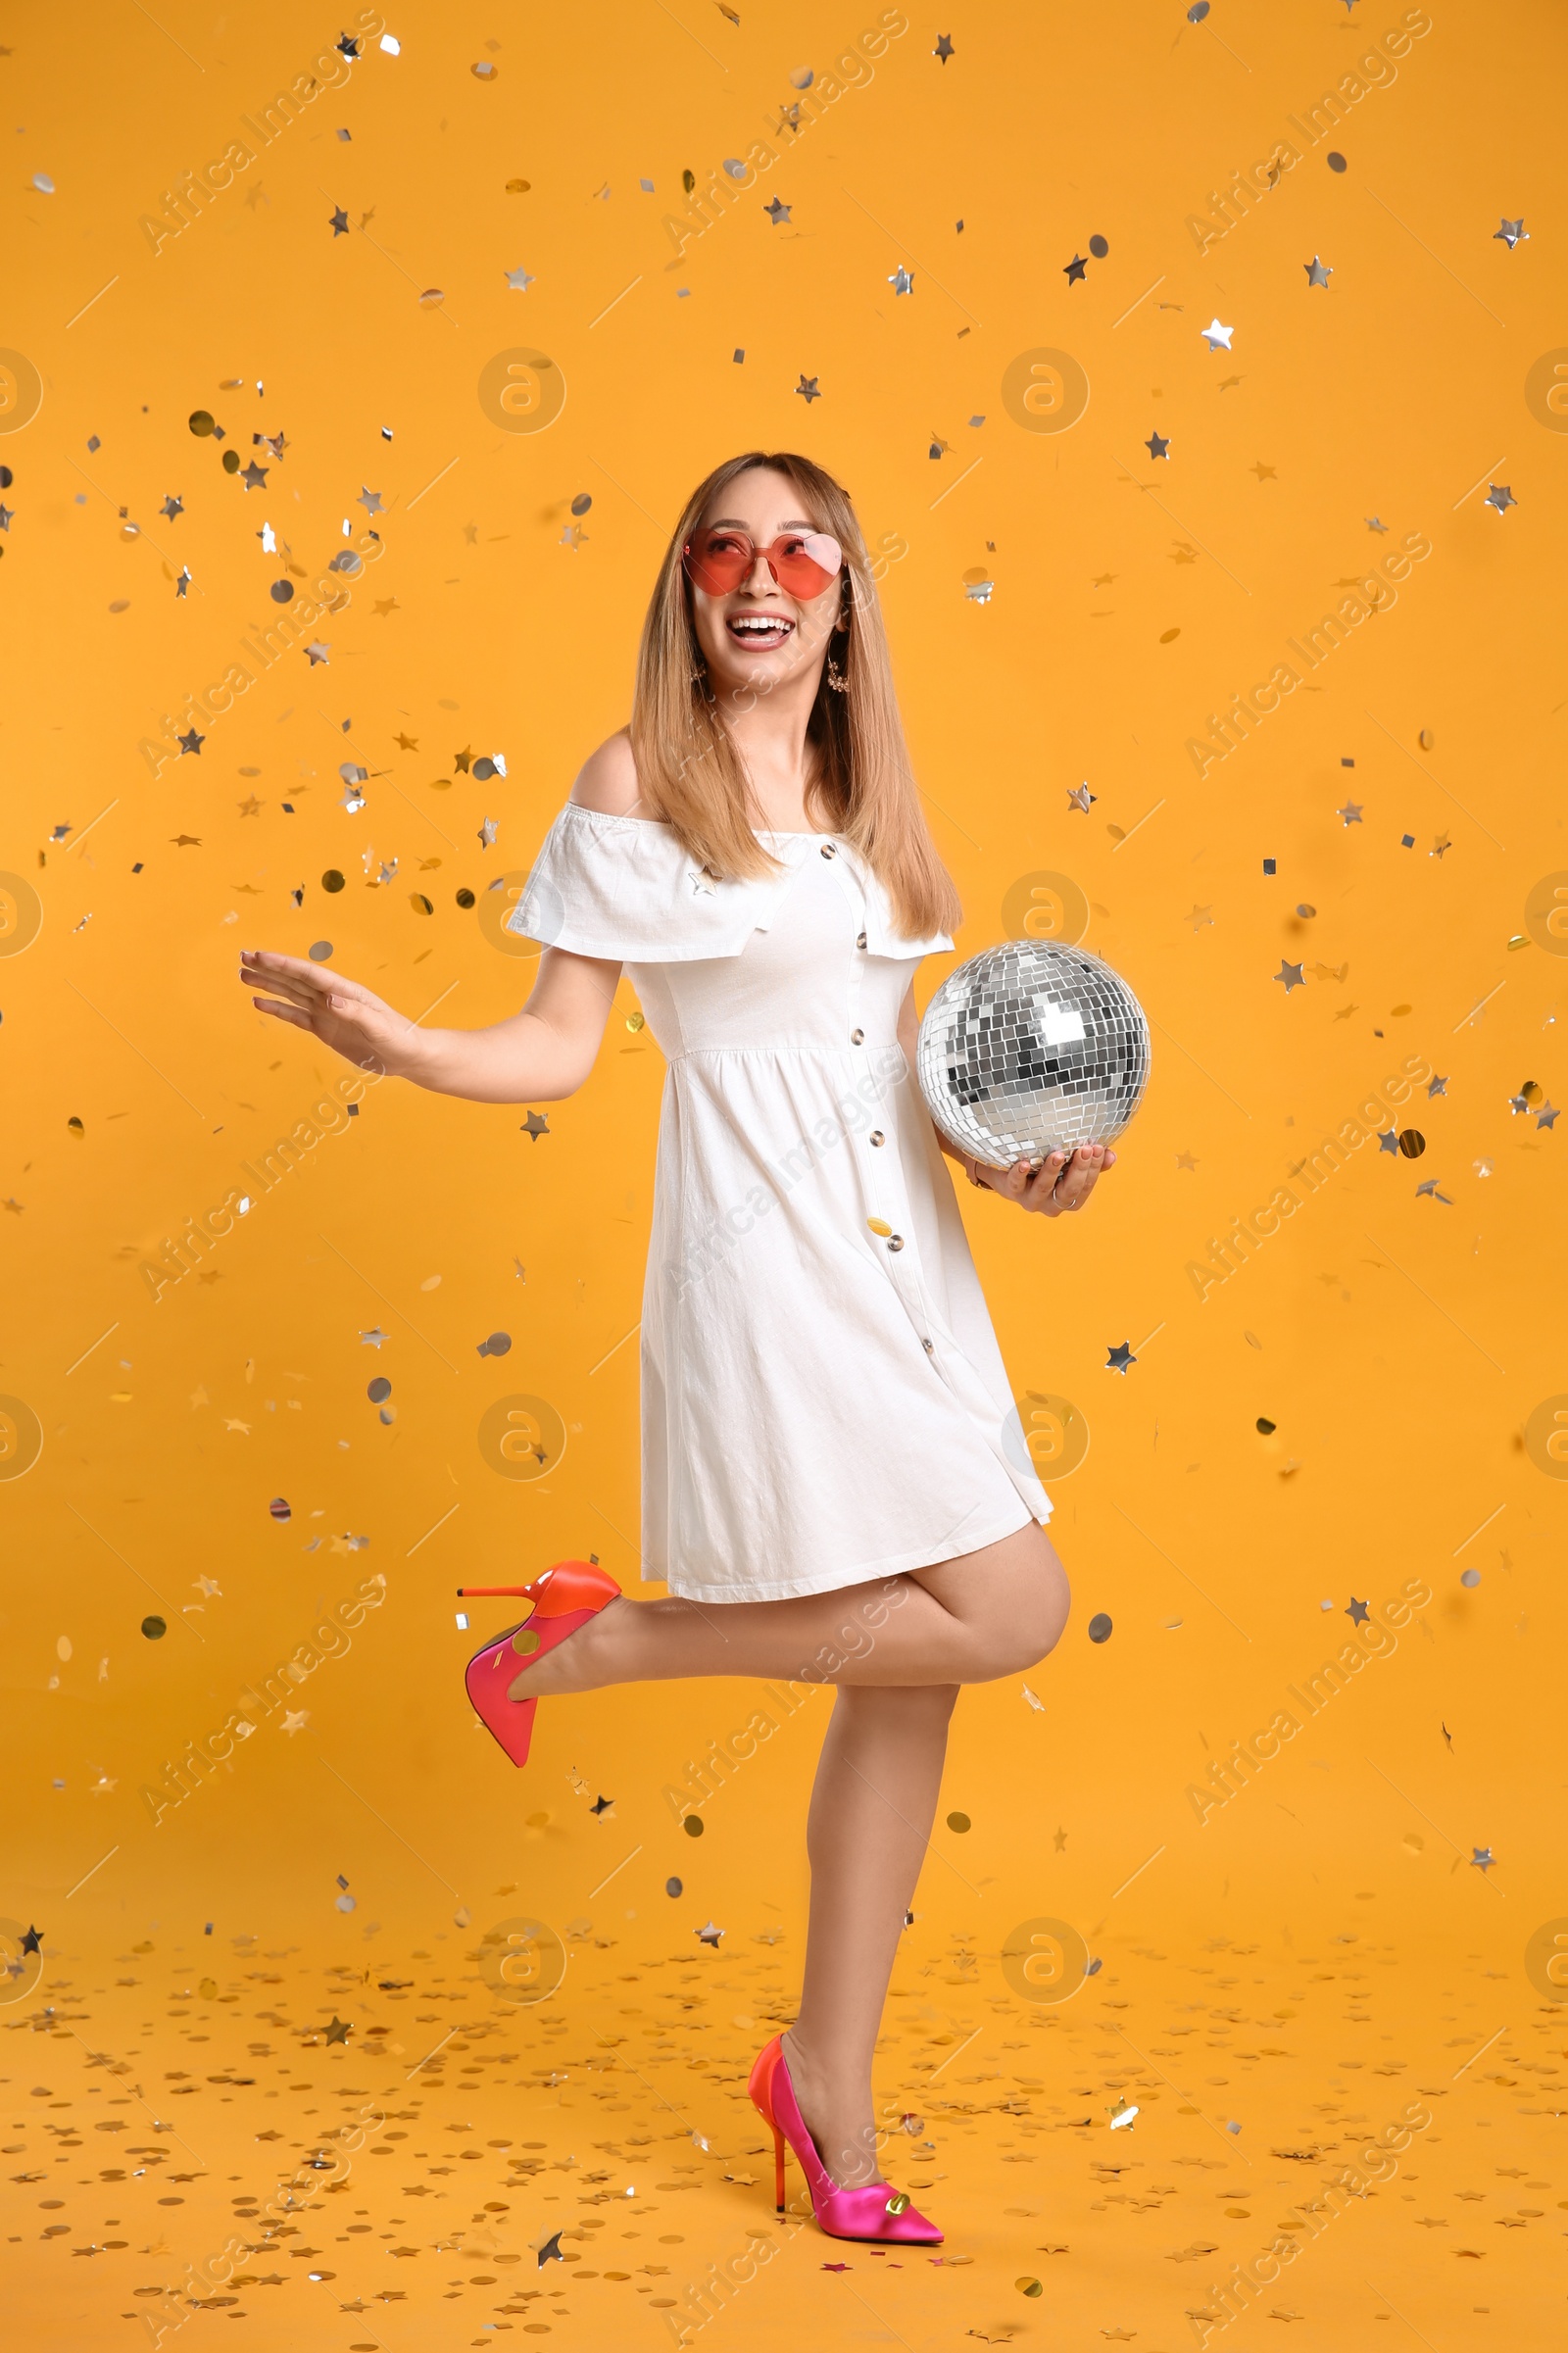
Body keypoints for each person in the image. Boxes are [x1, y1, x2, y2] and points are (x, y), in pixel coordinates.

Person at [239, 449, 1115, 2244]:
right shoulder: (639, 782)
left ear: (848, 593)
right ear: (691, 592)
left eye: (803, 545)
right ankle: (614, 1639)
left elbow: (896, 1068)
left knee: (920, 1669)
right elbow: (561, 1046)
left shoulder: (875, 796)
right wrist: (403, 1044)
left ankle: (826, 2083)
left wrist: (1017, 1171)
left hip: (916, 1264)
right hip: (767, 1265)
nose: (763, 572)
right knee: (1010, 1602)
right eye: (726, 547)